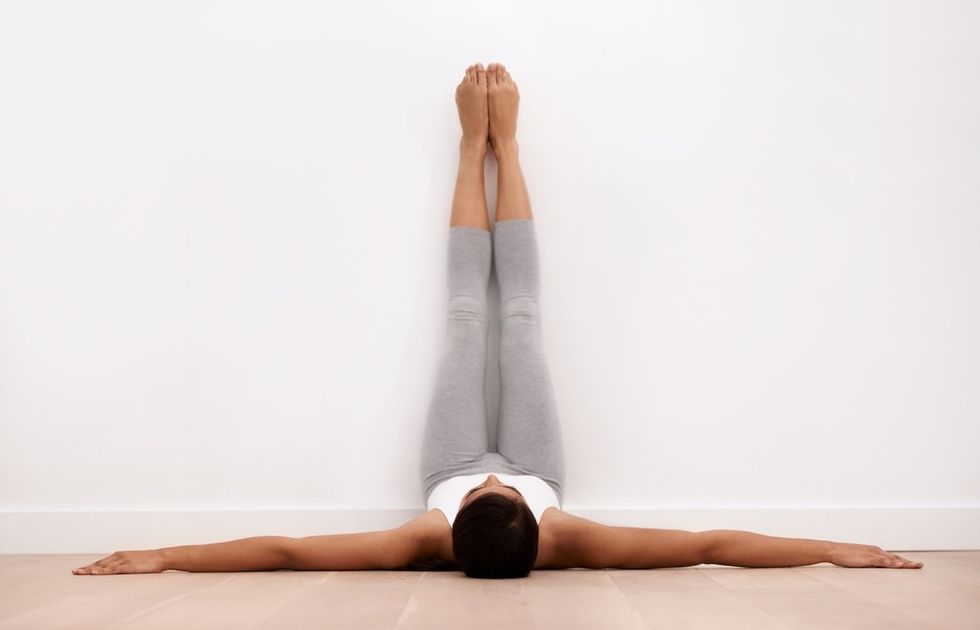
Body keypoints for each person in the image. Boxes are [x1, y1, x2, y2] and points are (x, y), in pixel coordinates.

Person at [72, 62, 924, 579]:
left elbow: (288, 555)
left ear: (461, 518)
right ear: (532, 524)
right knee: (516, 315)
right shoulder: (567, 534)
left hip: (433, 461)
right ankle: (507, 148)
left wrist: (166, 555)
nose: (491, 475)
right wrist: (832, 548)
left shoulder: (421, 533)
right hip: (548, 458)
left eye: (486, 491)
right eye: (496, 490)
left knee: (464, 317)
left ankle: (467, 149)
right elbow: (711, 542)